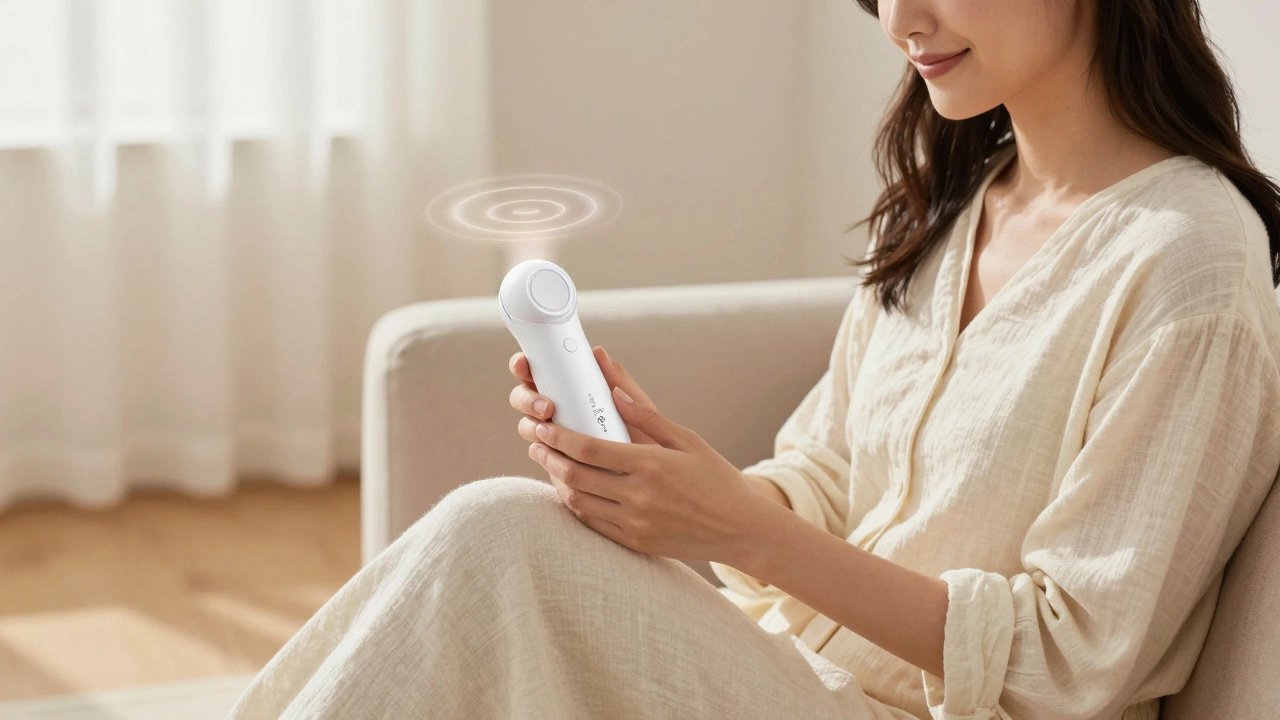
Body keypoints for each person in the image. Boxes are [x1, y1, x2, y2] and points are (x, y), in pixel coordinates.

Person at [227, 1, 1280, 718]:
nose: (898, 16)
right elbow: (824, 474)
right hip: (793, 675)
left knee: (494, 535)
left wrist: (737, 532)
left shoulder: (1185, 261)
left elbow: (1072, 660)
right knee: (501, 548)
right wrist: (671, 480)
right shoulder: (961, 205)